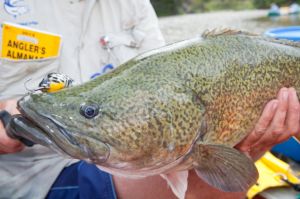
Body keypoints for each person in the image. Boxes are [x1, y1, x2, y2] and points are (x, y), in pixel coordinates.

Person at [0, 1, 299, 199]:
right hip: (32, 181)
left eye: (90, 112)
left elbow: (158, 83)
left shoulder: (133, 4)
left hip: (123, 160)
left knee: (213, 173)